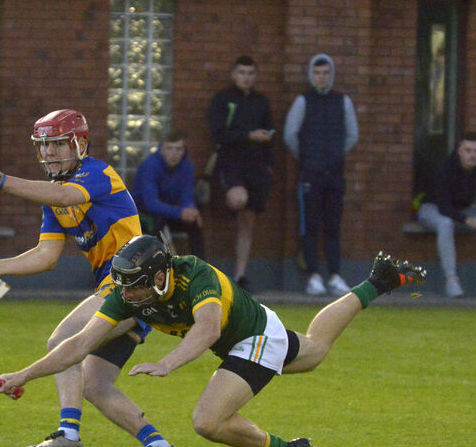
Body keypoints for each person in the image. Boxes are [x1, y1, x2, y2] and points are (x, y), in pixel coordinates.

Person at [0, 235, 426, 447]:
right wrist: (24, 374)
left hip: (253, 337)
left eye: (135, 285)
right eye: (122, 286)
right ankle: (377, 282)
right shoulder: (129, 295)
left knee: (207, 421)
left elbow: (206, 329)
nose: (127, 295)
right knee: (313, 350)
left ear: (161, 274)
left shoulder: (196, 275)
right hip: (246, 336)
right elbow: (77, 345)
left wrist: (167, 364)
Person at [0, 109, 181, 447]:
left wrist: (2, 180)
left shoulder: (95, 174)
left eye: (57, 144)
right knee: (96, 386)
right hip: (120, 291)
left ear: (79, 144)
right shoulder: (55, 194)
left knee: (63, 338)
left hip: (134, 286)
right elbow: (46, 255)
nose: (49, 153)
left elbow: (67, 197)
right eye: (43, 145)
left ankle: (68, 433)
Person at [284, 53, 359, 296]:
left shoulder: (343, 101)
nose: (321, 77)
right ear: (311, 75)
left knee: (333, 225)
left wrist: (335, 155)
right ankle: (313, 276)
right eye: (317, 73)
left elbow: (352, 135)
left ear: (331, 75)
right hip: (310, 175)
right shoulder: (303, 101)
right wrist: (307, 158)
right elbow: (290, 135)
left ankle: (335, 275)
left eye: (326, 73)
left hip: (335, 175)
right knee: (310, 225)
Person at [209, 56, 275, 291]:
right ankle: (228, 209)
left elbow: (270, 136)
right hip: (231, 165)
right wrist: (248, 135)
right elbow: (219, 134)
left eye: (250, 73)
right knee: (238, 200)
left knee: (247, 222)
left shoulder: (261, 102)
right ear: (233, 75)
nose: (246, 78)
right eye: (242, 73)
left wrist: (269, 164)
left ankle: (240, 275)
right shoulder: (223, 100)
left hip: (256, 169)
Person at [416, 131, 476, 297]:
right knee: (445, 223)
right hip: (432, 209)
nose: (472, 156)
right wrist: (468, 220)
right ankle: (451, 280)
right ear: (459, 151)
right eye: (468, 150)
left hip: (462, 210)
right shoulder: (445, 168)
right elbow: (443, 206)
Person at [132, 130, 206, 259]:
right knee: (156, 223)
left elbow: (187, 195)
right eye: (169, 148)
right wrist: (181, 212)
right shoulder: (150, 166)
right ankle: (158, 269)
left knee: (194, 222)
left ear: (183, 151)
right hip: (144, 213)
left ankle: (201, 270)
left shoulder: (187, 167)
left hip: (169, 210)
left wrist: (191, 210)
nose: (174, 154)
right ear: (161, 150)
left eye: (178, 149)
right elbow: (151, 203)